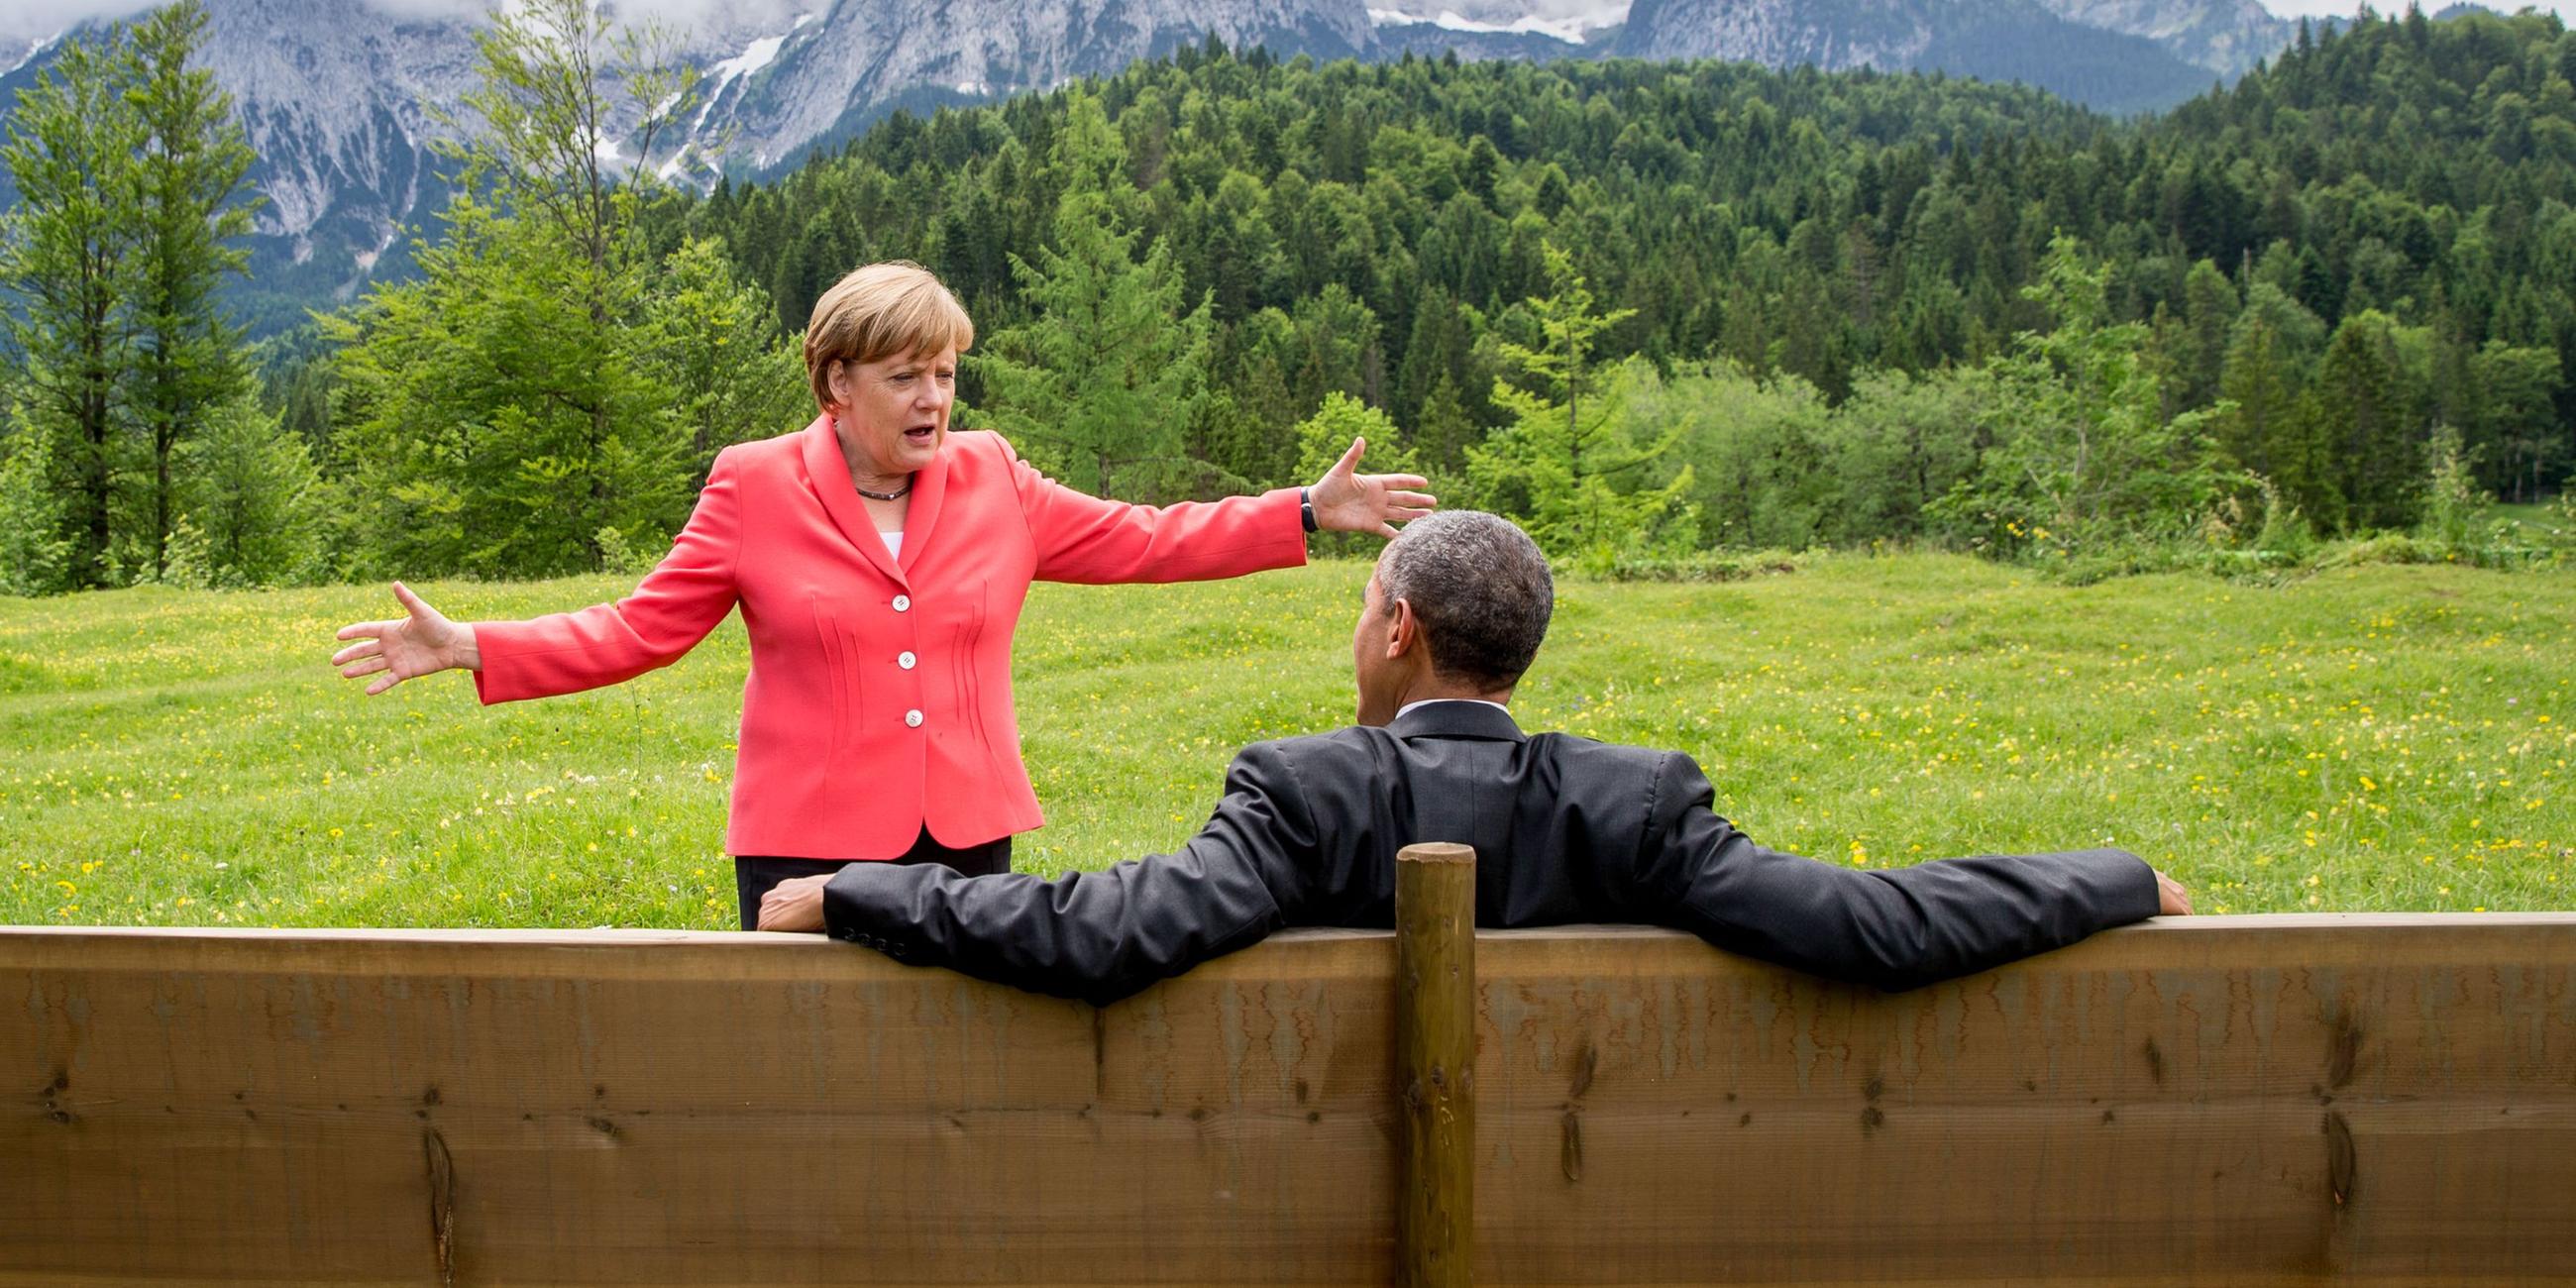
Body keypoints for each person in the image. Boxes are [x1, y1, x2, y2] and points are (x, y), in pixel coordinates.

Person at [328, 262, 1434, 926]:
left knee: (955, 1074)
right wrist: (475, 643)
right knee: (806, 1083)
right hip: (802, 841)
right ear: (835, 381)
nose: (933, 399)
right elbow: (639, 628)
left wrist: (1296, 510)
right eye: (905, 375)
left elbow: (1141, 538)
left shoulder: (996, 475)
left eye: (945, 374)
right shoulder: (751, 484)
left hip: (964, 835)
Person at [756, 510, 2191, 1003]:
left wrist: (862, 891)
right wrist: (2115, 876)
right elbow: (1874, 925)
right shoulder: (1637, 804)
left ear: (1396, 627)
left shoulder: (1302, 793)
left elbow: (1108, 932)